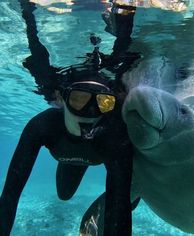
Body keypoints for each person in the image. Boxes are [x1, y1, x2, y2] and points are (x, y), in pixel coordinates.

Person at [0, 0, 140, 235]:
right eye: (78, 100)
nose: (90, 113)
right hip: (70, 158)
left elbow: (118, 211)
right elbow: (9, 196)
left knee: (123, 196)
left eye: (103, 103)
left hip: (104, 154)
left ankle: (131, 192)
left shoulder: (115, 136)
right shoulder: (43, 127)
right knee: (64, 194)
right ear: (61, 100)